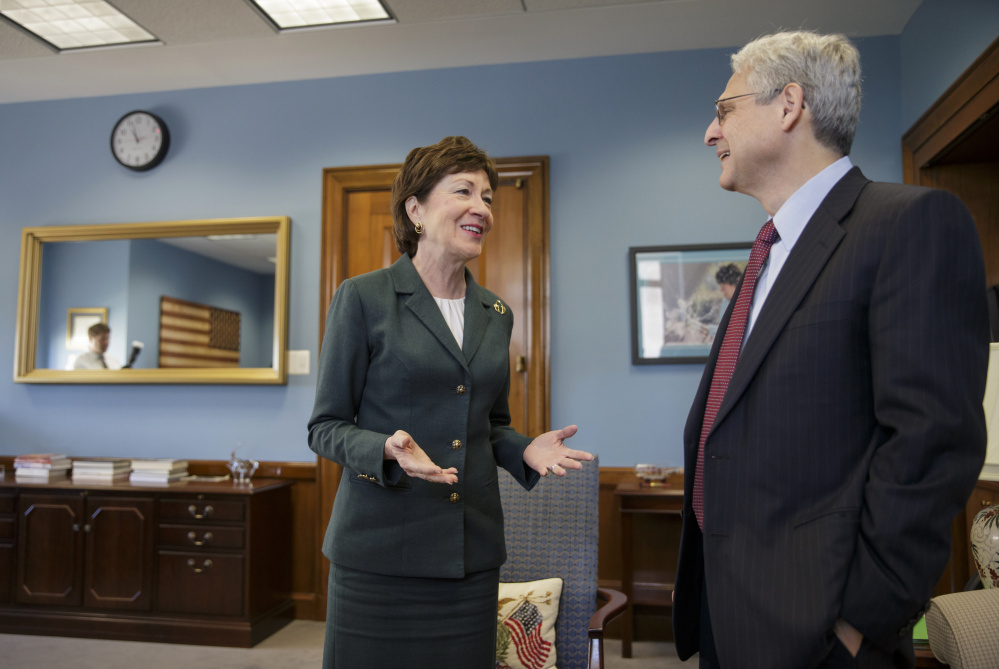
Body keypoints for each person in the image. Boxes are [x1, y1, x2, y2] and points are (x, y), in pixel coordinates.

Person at [673, 31, 988, 669]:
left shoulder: (909, 224)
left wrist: (855, 627)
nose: (710, 132)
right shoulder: (768, 255)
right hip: (729, 615)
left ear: (789, 105)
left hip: (821, 633)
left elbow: (932, 445)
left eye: (724, 109)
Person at [307, 136, 593, 669]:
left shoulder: (496, 312)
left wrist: (525, 450)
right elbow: (325, 426)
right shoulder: (363, 298)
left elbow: (492, 424)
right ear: (415, 208)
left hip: (469, 555)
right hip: (378, 554)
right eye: (464, 191)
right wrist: (386, 448)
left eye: (488, 197)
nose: (481, 208)